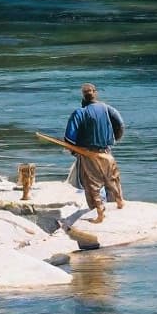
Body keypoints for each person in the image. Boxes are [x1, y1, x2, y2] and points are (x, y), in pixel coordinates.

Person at [64, 83, 125, 224]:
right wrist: (114, 139)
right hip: (107, 152)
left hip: (88, 154)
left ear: (83, 96)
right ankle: (120, 202)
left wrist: (74, 151)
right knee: (113, 179)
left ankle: (100, 214)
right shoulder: (107, 108)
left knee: (92, 185)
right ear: (95, 93)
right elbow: (120, 125)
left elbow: (69, 138)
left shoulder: (80, 113)